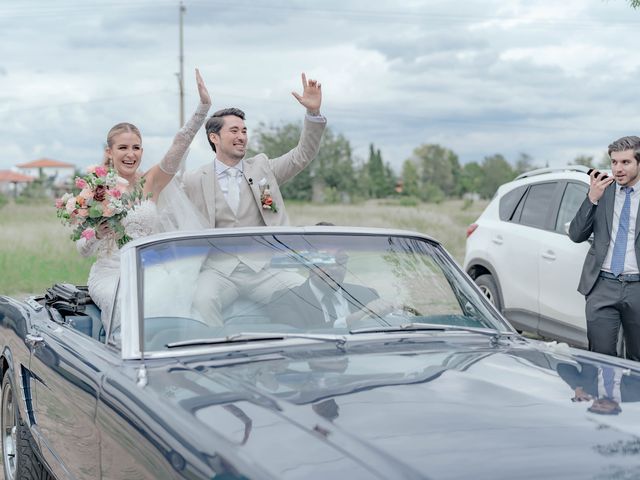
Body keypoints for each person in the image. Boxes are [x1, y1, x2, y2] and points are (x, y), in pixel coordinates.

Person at [185, 73, 326, 324]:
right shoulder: (195, 179)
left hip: (265, 269)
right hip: (219, 270)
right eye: (234, 131)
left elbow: (302, 155)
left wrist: (313, 115)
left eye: (244, 131)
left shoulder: (263, 169)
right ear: (214, 137)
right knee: (201, 302)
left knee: (307, 296)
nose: (241, 136)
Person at [76, 69, 211, 332]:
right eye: (123, 148)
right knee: (132, 304)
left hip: (151, 270)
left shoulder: (151, 182)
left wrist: (203, 109)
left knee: (178, 298)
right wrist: (98, 234)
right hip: (111, 274)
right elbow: (83, 249)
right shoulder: (96, 188)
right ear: (109, 152)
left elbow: (178, 146)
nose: (130, 154)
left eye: (136, 147)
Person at [569, 135, 640, 362]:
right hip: (602, 285)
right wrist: (592, 198)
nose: (618, 169)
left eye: (625, 162)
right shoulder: (602, 192)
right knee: (601, 359)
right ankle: (603, 398)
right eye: (614, 162)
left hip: (637, 287)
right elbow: (576, 234)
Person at [267, 248, 385, 330]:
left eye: (340, 260)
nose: (334, 267)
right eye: (325, 259)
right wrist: (354, 318)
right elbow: (297, 336)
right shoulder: (284, 299)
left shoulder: (368, 295)